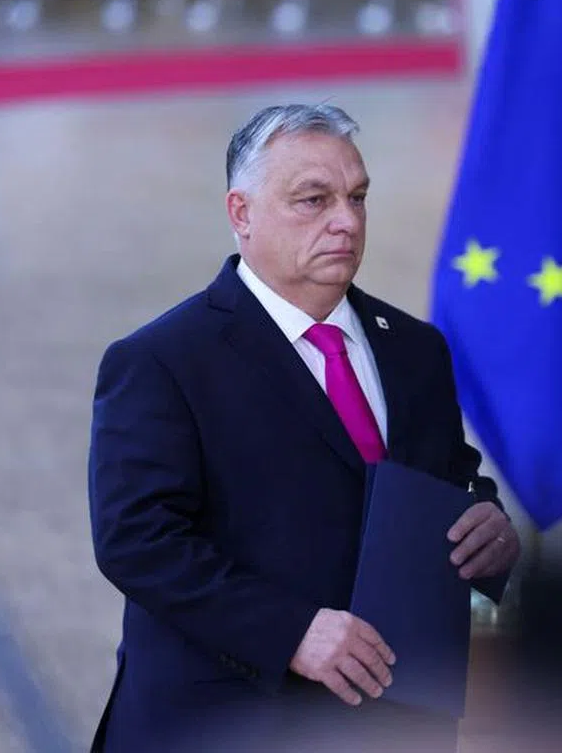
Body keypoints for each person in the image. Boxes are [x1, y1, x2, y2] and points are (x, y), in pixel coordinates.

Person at [87, 103, 522, 753]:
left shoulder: (415, 348)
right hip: (231, 720)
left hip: (399, 718)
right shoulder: (162, 361)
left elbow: (449, 477)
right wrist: (291, 631)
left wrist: (489, 524)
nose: (346, 221)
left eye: (357, 196)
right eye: (313, 200)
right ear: (242, 214)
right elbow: (137, 541)